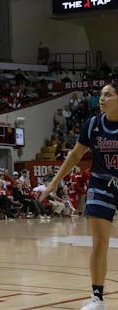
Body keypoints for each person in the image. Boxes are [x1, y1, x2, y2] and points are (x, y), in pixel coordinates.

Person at [41, 81, 118, 310]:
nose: (102, 99)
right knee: (100, 243)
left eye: (108, 95)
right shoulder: (93, 124)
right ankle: (97, 298)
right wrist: (54, 183)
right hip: (101, 184)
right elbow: (75, 156)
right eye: (101, 95)